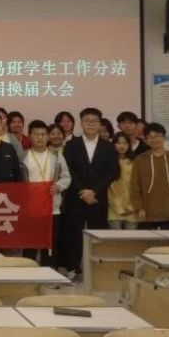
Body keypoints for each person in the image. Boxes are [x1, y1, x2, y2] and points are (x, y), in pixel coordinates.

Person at [59, 107, 119, 278]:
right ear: (81, 123)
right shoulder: (71, 145)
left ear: (100, 124)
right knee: (74, 234)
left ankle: (97, 271)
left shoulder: (108, 147)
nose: (91, 124)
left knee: (98, 233)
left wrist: (94, 191)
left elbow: (112, 172)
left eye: (94, 121)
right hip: (76, 197)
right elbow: (68, 170)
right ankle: (73, 268)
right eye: (87, 121)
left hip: (98, 198)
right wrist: (83, 191)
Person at [21, 120, 71, 267]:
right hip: (29, 209)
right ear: (29, 136)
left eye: (43, 134)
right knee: (29, 244)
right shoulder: (22, 155)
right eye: (36, 134)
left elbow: (67, 177)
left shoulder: (56, 155)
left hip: (52, 208)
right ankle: (28, 273)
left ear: (48, 136)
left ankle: (49, 273)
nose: (40, 138)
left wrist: (58, 186)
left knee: (50, 245)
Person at [130, 122, 169, 230]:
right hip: (147, 214)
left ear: (164, 137)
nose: (154, 140)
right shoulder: (140, 159)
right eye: (150, 137)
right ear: (146, 140)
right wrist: (139, 208)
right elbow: (134, 187)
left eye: (157, 136)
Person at [108, 132, 138, 230]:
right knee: (115, 238)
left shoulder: (134, 163)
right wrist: (118, 207)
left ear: (129, 145)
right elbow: (109, 188)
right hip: (114, 209)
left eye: (125, 143)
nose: (122, 146)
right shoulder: (108, 163)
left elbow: (137, 186)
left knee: (131, 238)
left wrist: (131, 207)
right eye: (118, 143)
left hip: (132, 209)